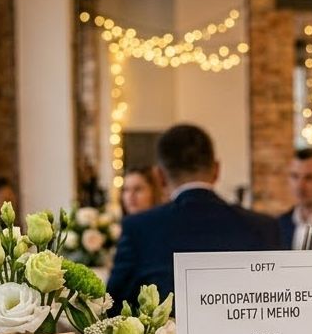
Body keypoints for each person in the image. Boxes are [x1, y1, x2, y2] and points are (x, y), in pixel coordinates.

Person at [107, 124, 282, 304]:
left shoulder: (139, 229)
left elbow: (111, 304)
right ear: (217, 169)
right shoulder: (264, 227)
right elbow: (277, 300)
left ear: (160, 177)